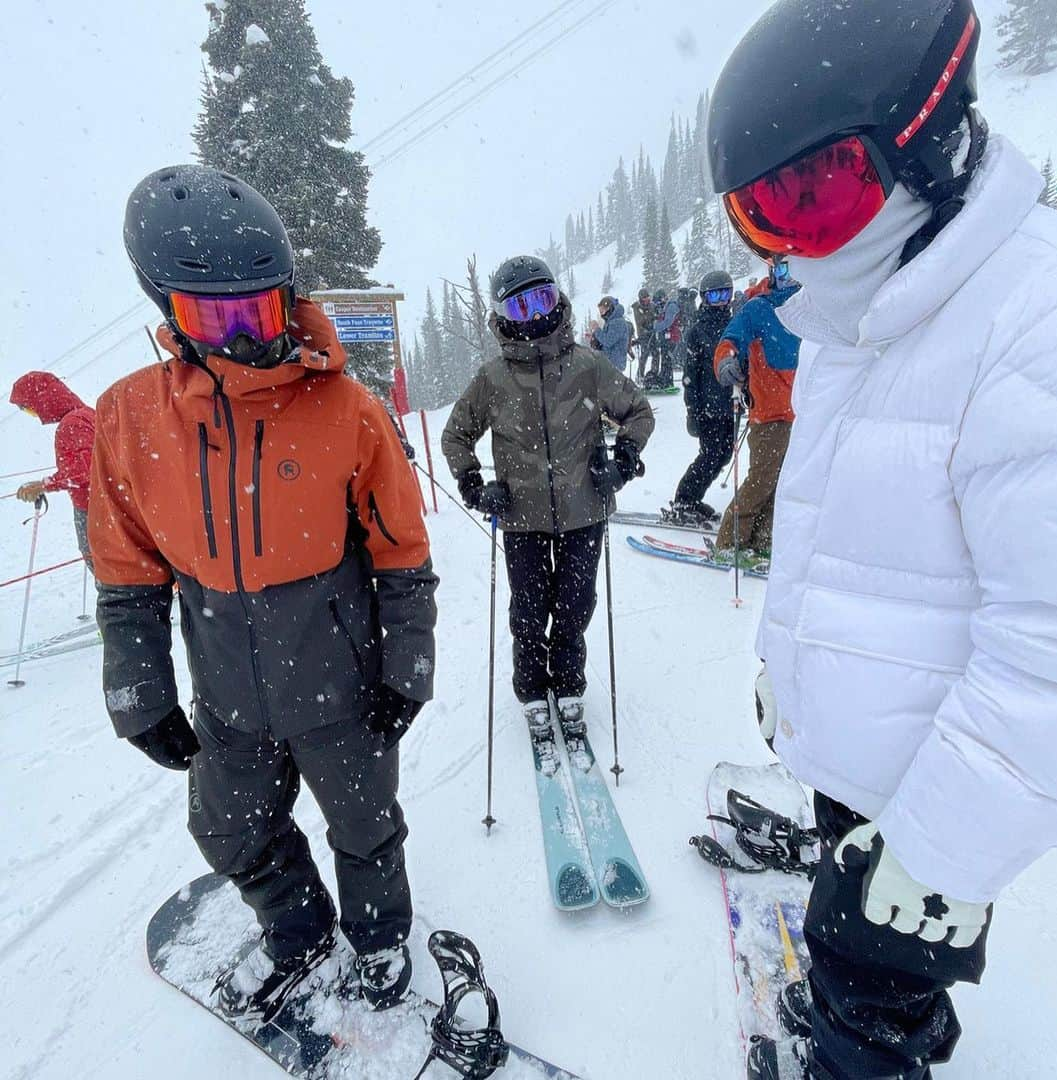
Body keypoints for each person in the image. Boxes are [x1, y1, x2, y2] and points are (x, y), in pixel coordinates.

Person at [708, 2, 1057, 1078]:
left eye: (814, 196)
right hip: (874, 768)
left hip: (945, 791)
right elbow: (853, 542)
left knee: (870, 1004)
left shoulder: (1044, 315)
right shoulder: (859, 314)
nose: (789, 244)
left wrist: (928, 854)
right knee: (854, 958)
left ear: (928, 143)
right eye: (759, 215)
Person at [91, 164, 437, 1022]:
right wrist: (139, 689)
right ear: (167, 309)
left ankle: (379, 935)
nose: (250, 336)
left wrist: (410, 663)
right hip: (228, 693)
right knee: (227, 829)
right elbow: (127, 567)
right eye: (219, 316)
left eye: (264, 308)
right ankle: (297, 930)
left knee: (365, 827)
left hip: (339, 683)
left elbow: (401, 550)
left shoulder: (346, 409)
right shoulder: (129, 418)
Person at [441, 255, 653, 738]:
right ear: (502, 316)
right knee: (530, 609)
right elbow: (455, 436)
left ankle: (569, 681)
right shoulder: (492, 378)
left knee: (576, 603)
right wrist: (474, 482)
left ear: (557, 299)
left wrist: (622, 459)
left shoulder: (587, 366)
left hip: (584, 510)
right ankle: (533, 688)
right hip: (522, 517)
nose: (534, 316)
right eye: (520, 308)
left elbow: (639, 411)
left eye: (542, 299)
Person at [712, 257, 801, 557]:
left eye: (794, 268)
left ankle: (763, 540)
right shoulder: (758, 308)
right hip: (769, 415)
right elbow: (730, 339)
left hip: (802, 414)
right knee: (761, 482)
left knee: (784, 484)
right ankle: (729, 542)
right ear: (771, 271)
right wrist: (725, 361)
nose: (788, 276)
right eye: (782, 269)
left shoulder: (809, 303)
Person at [668, 271, 736, 524]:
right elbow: (690, 375)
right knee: (710, 454)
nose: (720, 301)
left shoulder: (734, 325)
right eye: (714, 295)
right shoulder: (698, 331)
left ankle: (692, 498)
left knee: (725, 454)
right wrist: (692, 411)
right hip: (708, 405)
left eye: (725, 294)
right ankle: (685, 499)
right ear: (704, 298)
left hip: (731, 404)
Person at [9, 372, 96, 565]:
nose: (35, 415)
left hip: (93, 510)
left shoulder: (72, 423)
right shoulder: (87, 414)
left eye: (30, 409)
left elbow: (87, 470)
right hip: (104, 505)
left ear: (43, 400)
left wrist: (44, 485)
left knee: (107, 572)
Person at [646, 288, 681, 389]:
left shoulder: (671, 306)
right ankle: (665, 379)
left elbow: (667, 322)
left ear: (662, 298)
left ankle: (668, 382)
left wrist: (655, 327)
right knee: (665, 358)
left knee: (667, 360)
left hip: (672, 338)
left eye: (657, 301)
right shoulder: (666, 307)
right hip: (667, 338)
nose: (657, 304)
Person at [589, 295, 632, 372]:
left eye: (602, 311)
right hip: (611, 362)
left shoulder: (617, 322)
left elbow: (608, 341)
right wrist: (594, 337)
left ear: (609, 308)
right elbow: (606, 340)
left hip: (614, 364)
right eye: (600, 312)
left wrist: (596, 329)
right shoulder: (611, 321)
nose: (601, 314)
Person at [631, 287, 657, 382]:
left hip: (652, 334)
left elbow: (655, 316)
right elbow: (640, 322)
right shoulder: (637, 308)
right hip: (644, 335)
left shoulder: (652, 305)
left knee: (656, 354)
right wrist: (647, 330)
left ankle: (654, 374)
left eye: (648, 297)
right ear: (641, 299)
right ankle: (639, 376)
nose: (647, 299)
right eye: (644, 298)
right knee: (644, 355)